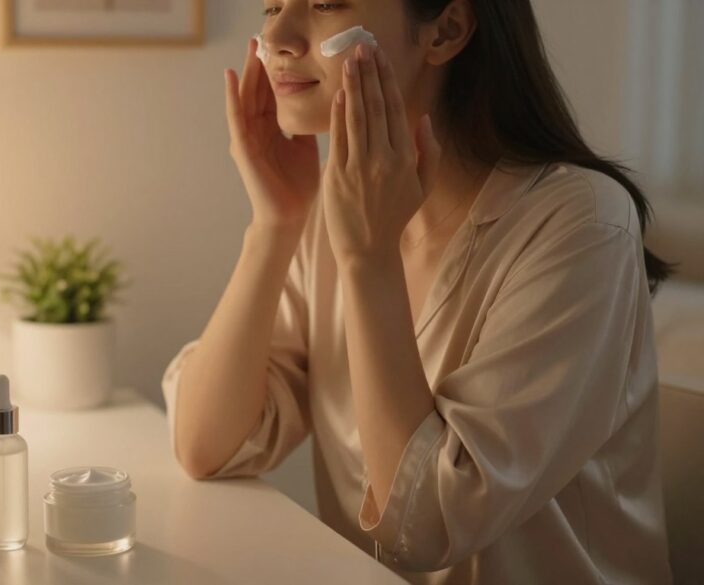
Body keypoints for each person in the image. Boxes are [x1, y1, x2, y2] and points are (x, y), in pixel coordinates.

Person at [160, 1, 675, 583]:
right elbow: (205, 445)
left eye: (326, 2)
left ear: (447, 29)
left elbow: (426, 526)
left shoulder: (581, 223)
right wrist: (273, 224)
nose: (275, 36)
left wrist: (368, 259)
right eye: (271, 5)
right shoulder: (341, 202)